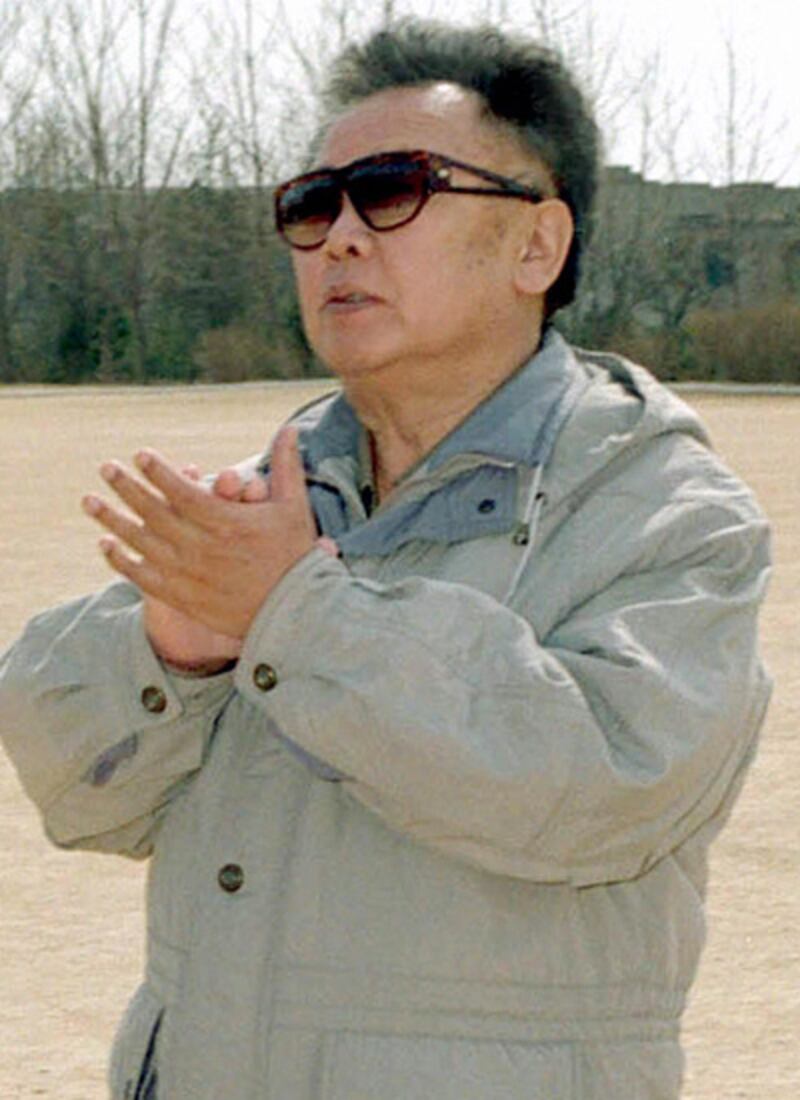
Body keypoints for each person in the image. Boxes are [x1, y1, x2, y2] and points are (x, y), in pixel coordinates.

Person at [0, 18, 771, 1100]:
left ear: (537, 245)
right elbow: (83, 795)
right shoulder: (276, 492)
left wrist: (297, 619)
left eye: (394, 190)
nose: (341, 239)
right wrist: (172, 651)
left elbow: (606, 786)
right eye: (312, 206)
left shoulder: (667, 514)